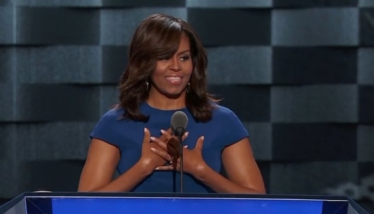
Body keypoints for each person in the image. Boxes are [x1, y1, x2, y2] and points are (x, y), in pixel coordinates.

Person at [77, 14, 265, 194]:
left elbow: (258, 201)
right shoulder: (116, 122)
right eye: (165, 57)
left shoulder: (222, 120)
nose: (176, 66)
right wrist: (143, 167)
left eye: (184, 57)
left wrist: (201, 170)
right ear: (144, 62)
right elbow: (83, 205)